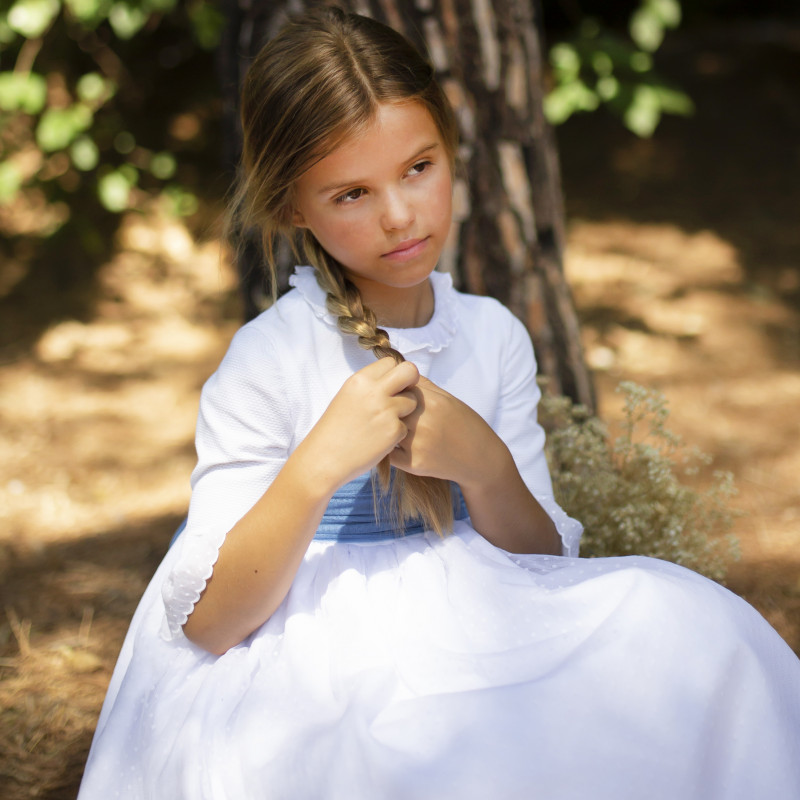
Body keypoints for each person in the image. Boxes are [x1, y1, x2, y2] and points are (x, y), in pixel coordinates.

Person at [79, 7, 800, 799]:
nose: (399, 214)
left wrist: (485, 465)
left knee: (693, 631)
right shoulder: (270, 358)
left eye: (418, 168)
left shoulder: (492, 336)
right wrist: (315, 468)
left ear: (451, 151)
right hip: (314, 646)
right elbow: (214, 624)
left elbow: (542, 567)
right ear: (293, 206)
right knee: (395, 748)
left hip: (488, 618)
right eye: (352, 192)